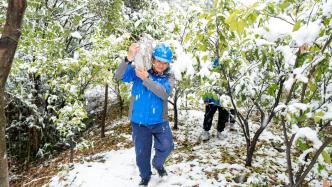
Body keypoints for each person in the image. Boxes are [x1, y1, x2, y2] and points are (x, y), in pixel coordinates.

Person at [115, 42, 175, 186]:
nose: (161, 65)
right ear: (153, 59)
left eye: (165, 63)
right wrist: (128, 58)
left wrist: (146, 79)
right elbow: (119, 75)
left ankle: (158, 164)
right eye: (158, 60)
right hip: (139, 122)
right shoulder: (139, 70)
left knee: (167, 146)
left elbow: (164, 93)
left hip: (160, 121)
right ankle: (145, 175)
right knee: (142, 154)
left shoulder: (169, 77)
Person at [201, 58, 236, 141]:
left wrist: (229, 99)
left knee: (223, 116)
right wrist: (206, 99)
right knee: (208, 115)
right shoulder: (211, 74)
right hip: (211, 99)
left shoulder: (228, 71)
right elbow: (206, 87)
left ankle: (220, 131)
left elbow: (231, 86)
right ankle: (206, 131)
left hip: (223, 100)